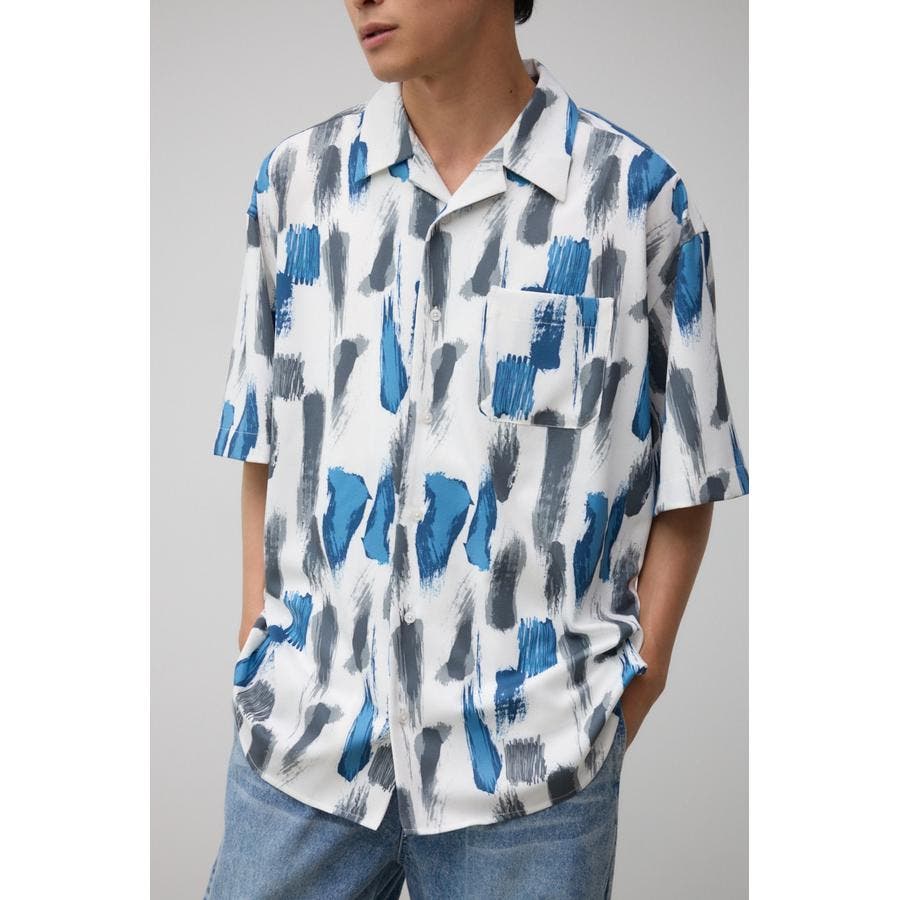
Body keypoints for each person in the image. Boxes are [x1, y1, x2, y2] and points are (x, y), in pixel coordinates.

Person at [203, 1, 750, 897]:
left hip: (530, 779)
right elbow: (260, 435)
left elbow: (692, 473)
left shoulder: (635, 201)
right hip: (305, 744)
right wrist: (259, 639)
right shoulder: (296, 185)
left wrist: (632, 688)